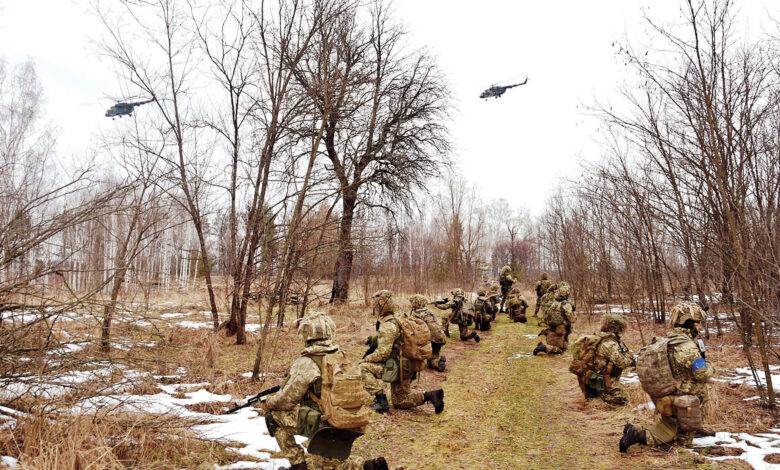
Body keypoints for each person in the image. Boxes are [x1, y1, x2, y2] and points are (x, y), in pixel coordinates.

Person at [263, 312, 388, 470]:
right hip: (351, 420)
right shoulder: (340, 355)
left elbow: (285, 401)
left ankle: (298, 465)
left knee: (273, 416)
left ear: (306, 334)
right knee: (330, 465)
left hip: (326, 424)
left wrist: (268, 402)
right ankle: (369, 466)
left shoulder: (307, 362)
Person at [620, 302, 715, 452]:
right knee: (677, 441)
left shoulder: (668, 340)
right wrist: (710, 366)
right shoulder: (686, 346)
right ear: (689, 324)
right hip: (682, 395)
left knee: (673, 427)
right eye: (698, 324)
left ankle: (691, 429)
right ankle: (637, 435)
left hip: (668, 392)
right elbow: (702, 373)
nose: (700, 328)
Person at [359, 290, 444, 414]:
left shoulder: (388, 324)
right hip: (408, 364)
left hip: (399, 367)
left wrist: (365, 359)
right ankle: (431, 396)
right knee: (400, 401)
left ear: (380, 306)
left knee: (363, 368)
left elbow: (383, 353)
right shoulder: (397, 319)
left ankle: (381, 401)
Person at [570, 314, 634, 405]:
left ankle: (591, 395)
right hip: (601, 383)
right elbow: (622, 363)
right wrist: (631, 360)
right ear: (618, 328)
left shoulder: (595, 338)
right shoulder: (610, 343)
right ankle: (600, 396)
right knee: (623, 400)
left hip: (586, 380)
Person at [534, 282, 575, 355]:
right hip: (560, 329)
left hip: (552, 328)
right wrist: (573, 312)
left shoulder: (554, 303)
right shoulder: (566, 305)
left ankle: (545, 345)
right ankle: (544, 348)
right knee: (561, 350)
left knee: (563, 347)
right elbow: (572, 319)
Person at [409, 294, 447, 372]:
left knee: (425, 358)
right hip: (441, 337)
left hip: (429, 340)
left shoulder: (416, 314)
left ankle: (419, 362)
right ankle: (437, 362)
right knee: (433, 357)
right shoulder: (430, 312)